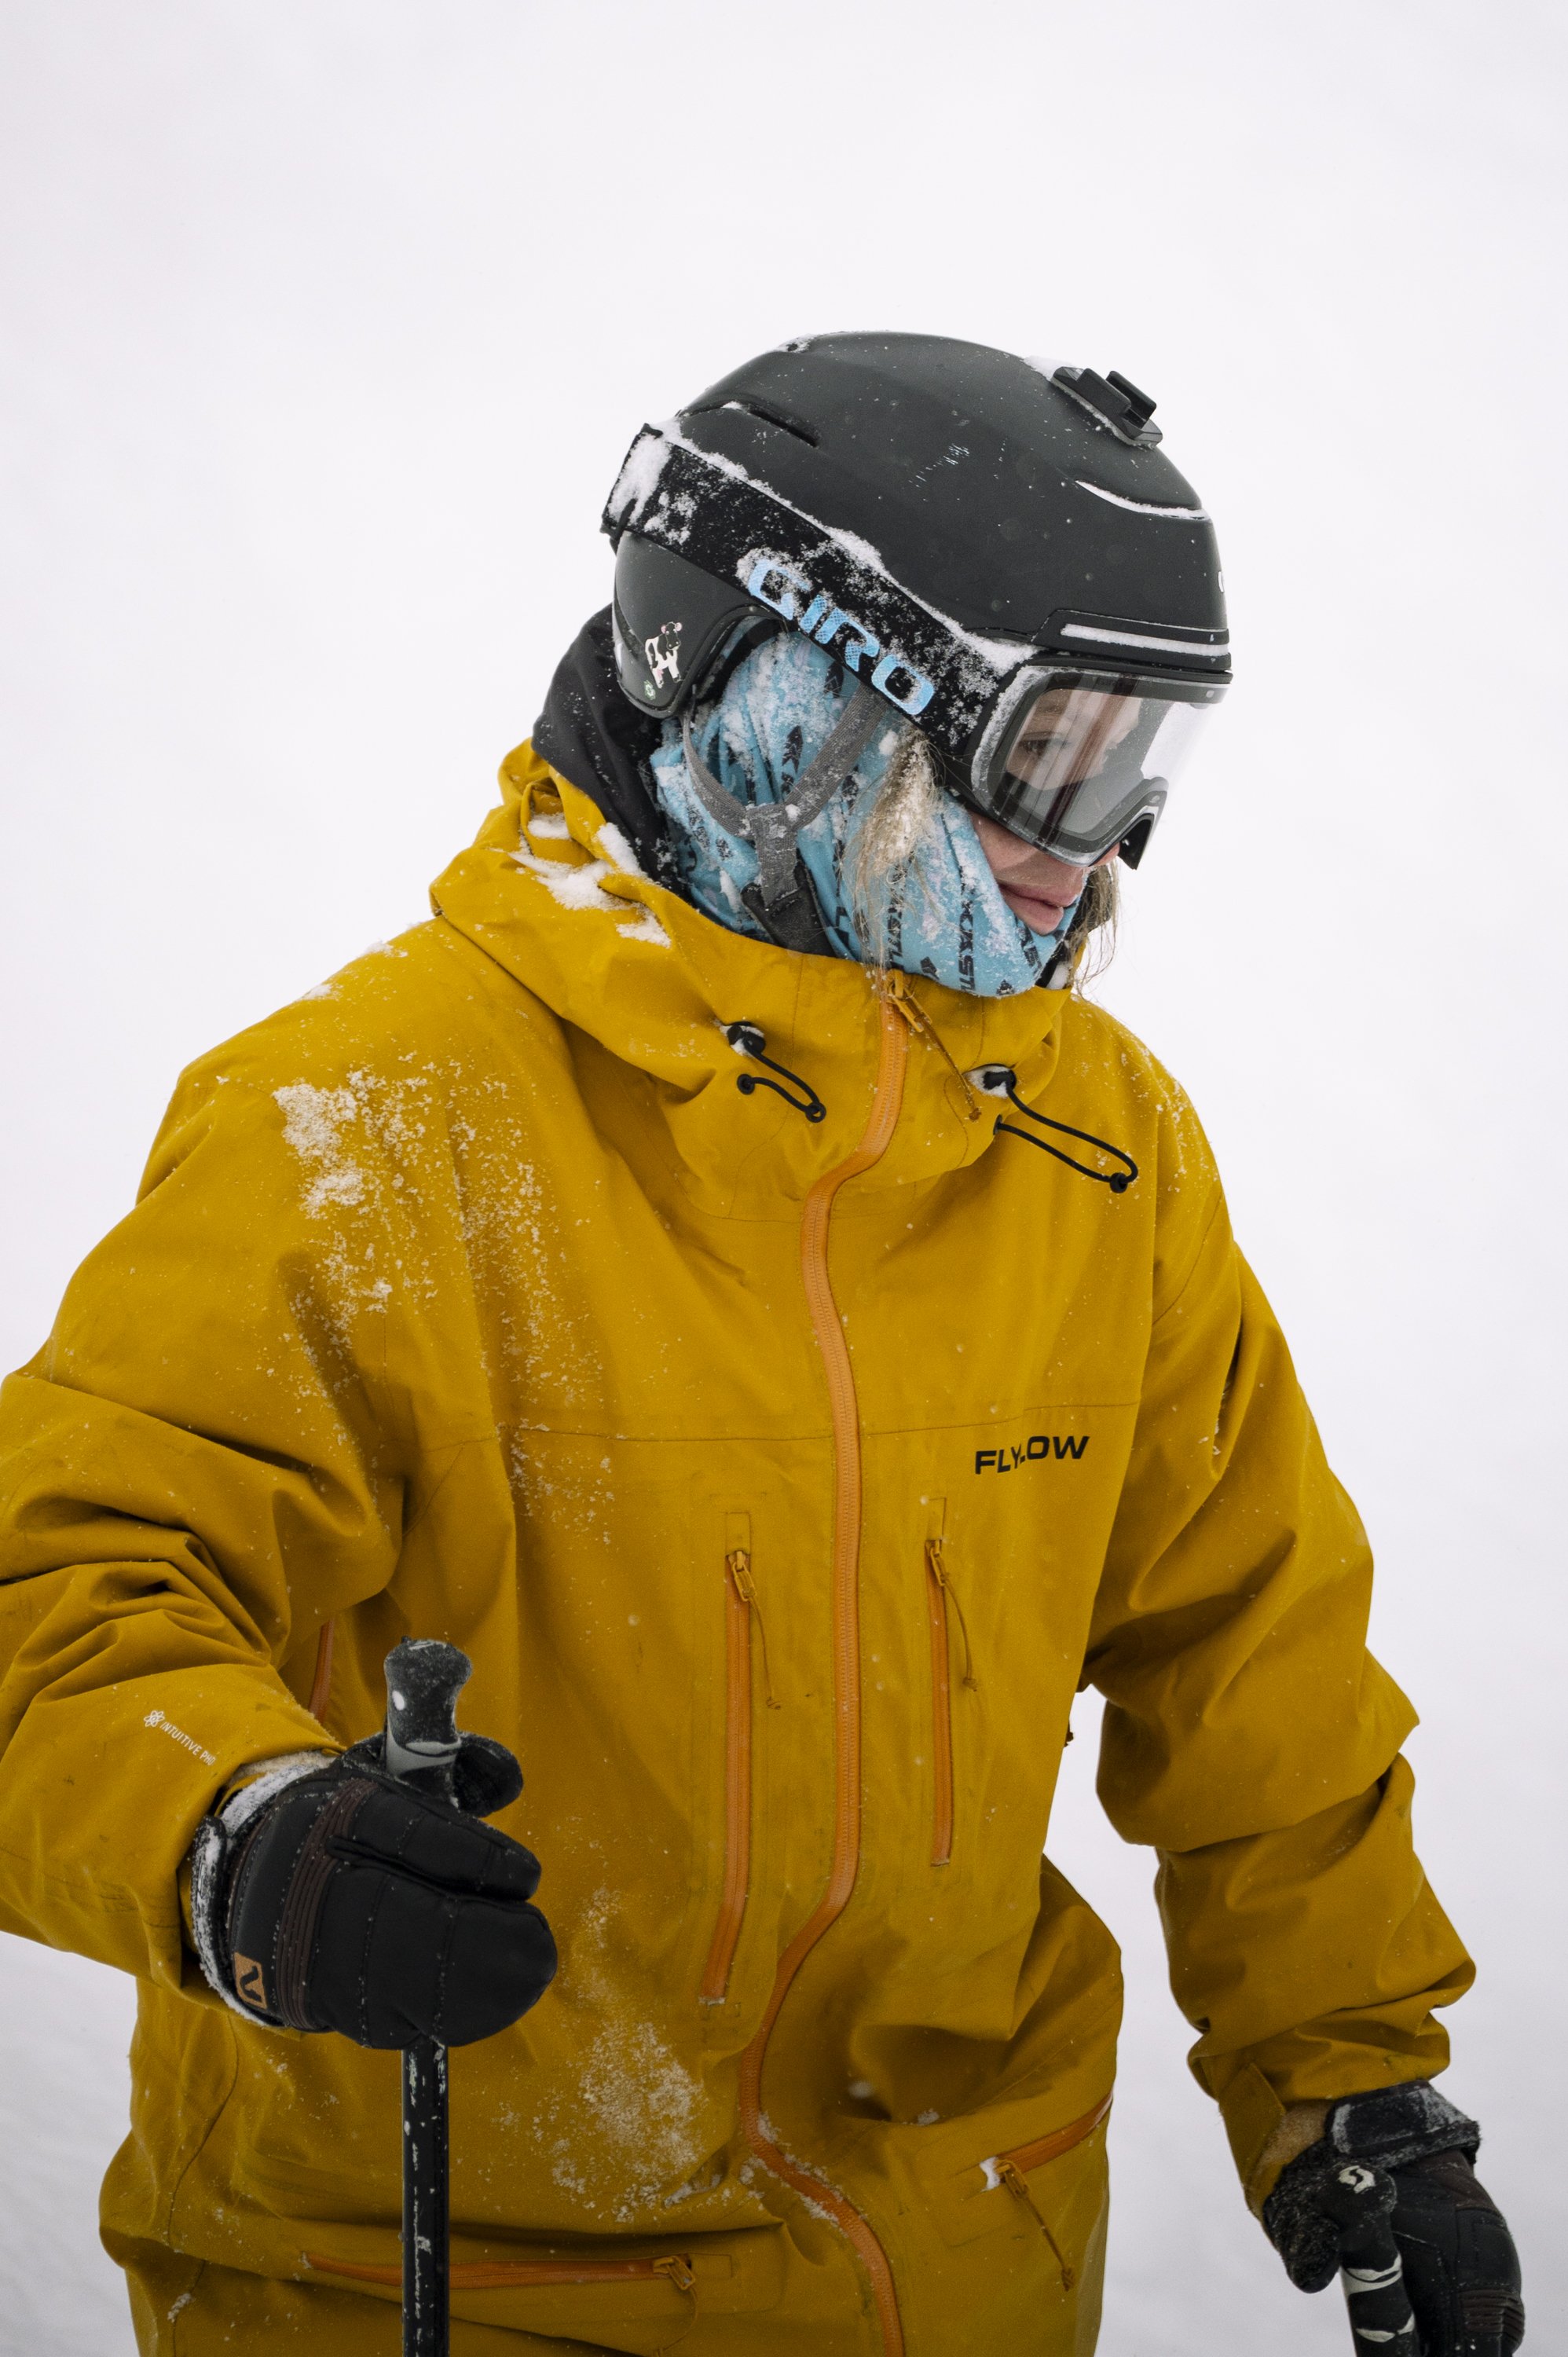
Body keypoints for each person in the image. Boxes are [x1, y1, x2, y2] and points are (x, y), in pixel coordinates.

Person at [0, 334, 1525, 2356]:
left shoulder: (1093, 1154)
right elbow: (55, 1599)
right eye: (1052, 746)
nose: (1098, 843)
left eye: (1143, 759)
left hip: (960, 2270)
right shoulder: (371, 1126)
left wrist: (1354, 2082)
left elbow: (1240, 1648)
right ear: (777, 696)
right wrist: (244, 1843)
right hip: (450, 2279)